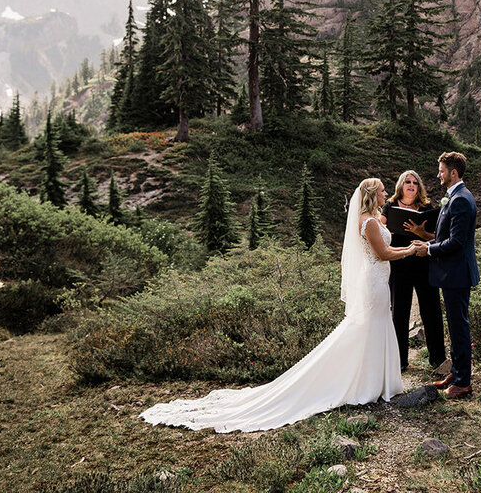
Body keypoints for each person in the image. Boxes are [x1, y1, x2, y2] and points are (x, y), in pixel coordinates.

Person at [140, 178, 417, 432]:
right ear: (372, 194)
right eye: (382, 190)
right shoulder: (367, 222)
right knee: (367, 328)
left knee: (375, 327)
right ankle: (366, 384)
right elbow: (382, 253)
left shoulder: (372, 219)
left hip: (378, 283)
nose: (385, 193)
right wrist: (409, 250)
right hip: (374, 282)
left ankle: (377, 382)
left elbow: (382, 235)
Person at [412, 151, 479, 400]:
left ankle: (463, 382)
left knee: (459, 326)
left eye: (441, 170)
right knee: (455, 324)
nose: (438, 174)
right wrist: (427, 239)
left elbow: (457, 242)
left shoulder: (461, 199)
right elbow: (446, 237)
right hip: (453, 274)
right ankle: (456, 371)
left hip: (457, 274)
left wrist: (427, 249)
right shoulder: (455, 197)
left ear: (453, 172)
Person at [382, 169, 446, 373]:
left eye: (415, 182)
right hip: (399, 263)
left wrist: (422, 233)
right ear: (400, 185)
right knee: (399, 311)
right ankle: (400, 361)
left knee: (432, 309)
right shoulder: (389, 206)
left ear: (419, 187)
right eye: (407, 181)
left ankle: (437, 359)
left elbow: (437, 237)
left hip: (423, 262)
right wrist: (388, 232)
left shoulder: (427, 207)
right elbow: (379, 232)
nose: (411, 185)